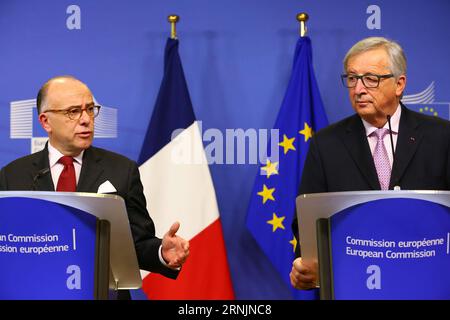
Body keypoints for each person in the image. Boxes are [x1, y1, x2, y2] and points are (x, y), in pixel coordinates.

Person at [0, 75, 190, 294]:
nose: (86, 119)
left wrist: (162, 253)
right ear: (45, 121)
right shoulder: (12, 177)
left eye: (90, 109)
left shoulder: (121, 171)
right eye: (73, 112)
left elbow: (136, 244)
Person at [290, 37, 450, 290]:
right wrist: (305, 265)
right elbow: (307, 221)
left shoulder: (442, 136)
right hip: (353, 284)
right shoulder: (326, 143)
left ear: (399, 84)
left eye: (371, 79)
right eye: (352, 79)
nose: (358, 89)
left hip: (428, 282)